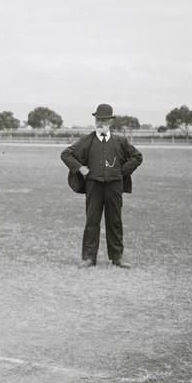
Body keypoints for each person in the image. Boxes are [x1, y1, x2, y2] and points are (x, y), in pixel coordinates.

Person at [60, 103, 143, 268]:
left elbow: (137, 157)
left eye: (104, 120)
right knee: (92, 221)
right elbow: (66, 154)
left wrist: (122, 171)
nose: (100, 123)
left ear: (111, 122)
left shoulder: (120, 140)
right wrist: (80, 168)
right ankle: (89, 258)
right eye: (98, 119)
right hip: (93, 186)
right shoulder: (87, 140)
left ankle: (117, 257)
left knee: (115, 221)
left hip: (115, 187)